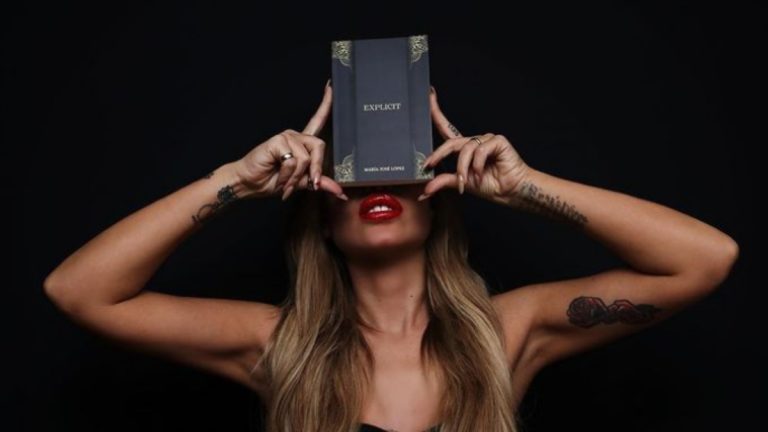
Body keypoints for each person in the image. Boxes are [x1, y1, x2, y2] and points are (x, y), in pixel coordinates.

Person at [43, 79, 739, 432]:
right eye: (349, 178)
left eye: (400, 169)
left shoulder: (506, 333)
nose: (375, 189)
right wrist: (234, 181)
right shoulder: (281, 346)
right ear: (320, 218)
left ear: (439, 200)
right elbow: (80, 291)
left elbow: (705, 259)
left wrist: (526, 187)